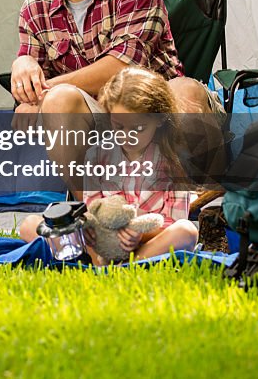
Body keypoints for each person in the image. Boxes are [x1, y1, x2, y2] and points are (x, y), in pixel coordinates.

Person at [8, 0, 223, 193]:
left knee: (186, 90)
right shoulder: (35, 8)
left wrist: (40, 90)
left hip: (158, 107)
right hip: (101, 117)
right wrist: (22, 64)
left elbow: (121, 68)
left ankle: (199, 199)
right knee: (58, 100)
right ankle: (92, 208)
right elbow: (30, 83)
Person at [18, 67, 198, 264]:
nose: (126, 136)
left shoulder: (173, 160)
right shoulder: (97, 155)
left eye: (138, 128)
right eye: (119, 126)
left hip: (148, 242)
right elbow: (92, 209)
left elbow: (175, 219)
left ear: (159, 119)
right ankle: (100, 262)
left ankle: (116, 266)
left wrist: (139, 234)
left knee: (186, 231)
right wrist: (88, 229)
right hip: (102, 243)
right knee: (29, 226)